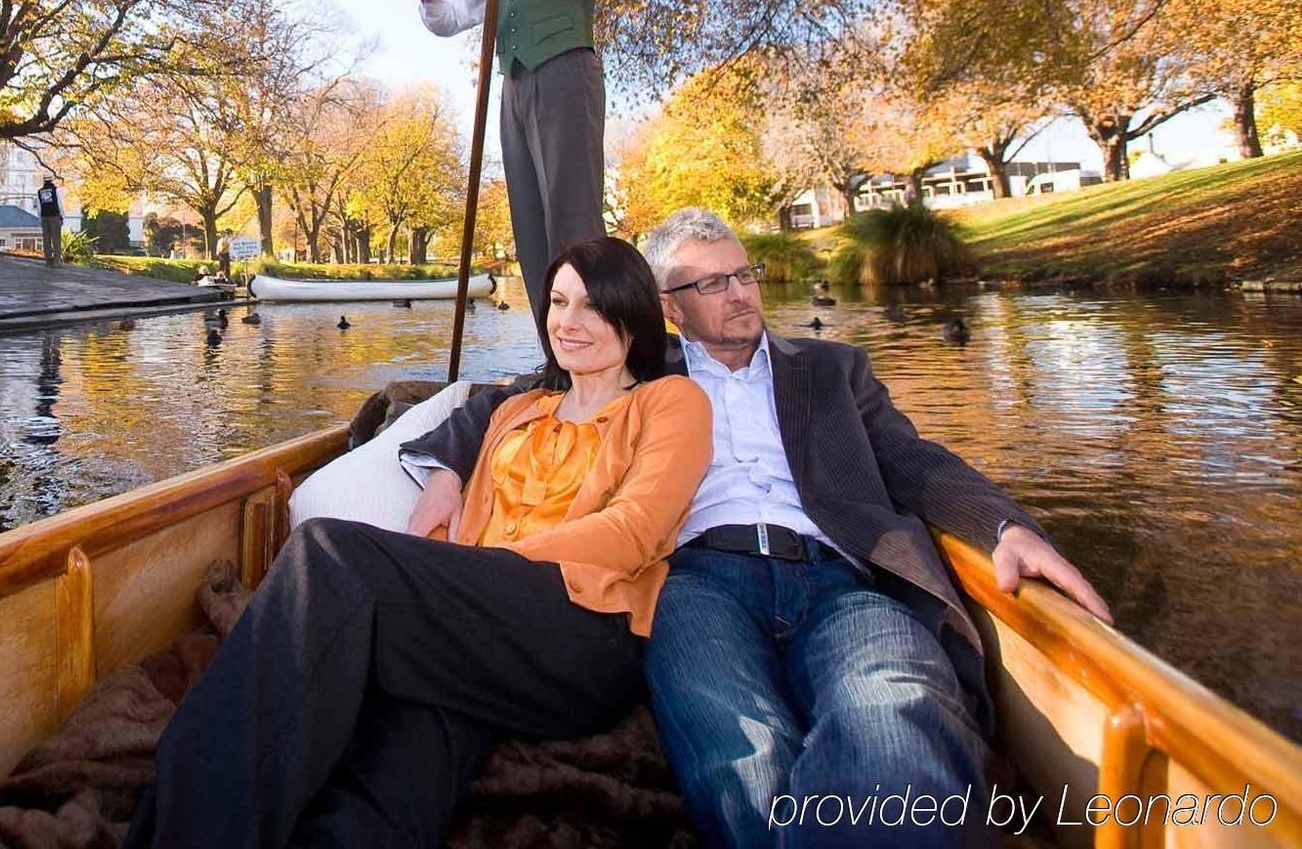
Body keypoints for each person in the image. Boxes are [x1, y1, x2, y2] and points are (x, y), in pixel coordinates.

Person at [402, 208, 1112, 848]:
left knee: (897, 700)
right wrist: (445, 470)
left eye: (744, 274)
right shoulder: (638, 368)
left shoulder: (832, 369)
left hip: (840, 578)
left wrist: (1002, 525)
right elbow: (502, 401)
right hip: (696, 582)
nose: (739, 292)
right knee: (739, 750)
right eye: (711, 284)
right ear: (668, 308)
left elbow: (912, 460)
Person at [125, 237, 712, 848]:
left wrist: (467, 572)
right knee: (401, 766)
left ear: (631, 313)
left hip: (580, 630)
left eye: (592, 306)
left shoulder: (669, 402)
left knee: (326, 554)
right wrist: (446, 528)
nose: (568, 321)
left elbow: (635, 532)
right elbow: (449, 487)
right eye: (558, 302)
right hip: (475, 627)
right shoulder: (518, 410)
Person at [417, 0, 607, 328]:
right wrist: (431, 1)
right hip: (515, 83)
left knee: (573, 214)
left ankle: (597, 346)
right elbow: (455, 17)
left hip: (566, 70)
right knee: (530, 220)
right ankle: (555, 356)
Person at [36, 175, 62, 267]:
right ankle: (56, 260)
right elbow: (59, 204)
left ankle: (48, 260)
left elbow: (38, 207)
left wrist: (40, 218)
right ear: (51, 180)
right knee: (56, 239)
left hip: (44, 217)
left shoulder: (39, 192)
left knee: (46, 239)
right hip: (54, 216)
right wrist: (61, 215)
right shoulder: (56, 190)